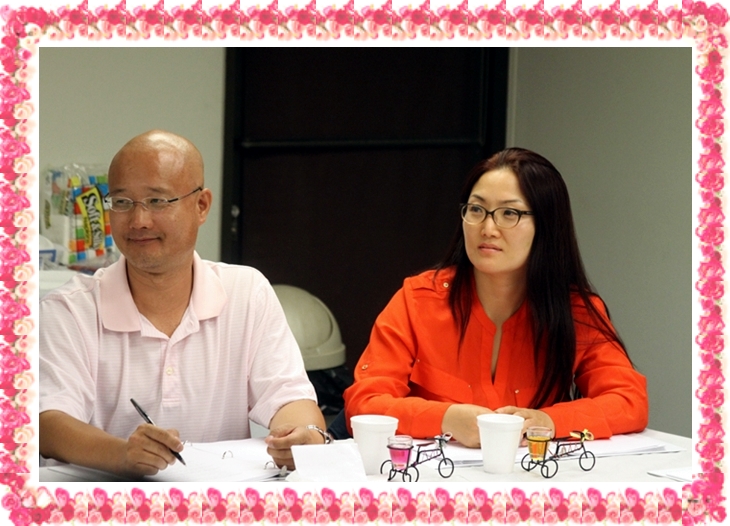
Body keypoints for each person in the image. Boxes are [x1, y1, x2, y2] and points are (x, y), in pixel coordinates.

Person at [39, 129, 329, 478]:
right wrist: (124, 455)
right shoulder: (69, 309)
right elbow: (48, 422)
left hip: (220, 498)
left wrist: (304, 436)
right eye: (122, 202)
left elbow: (289, 397)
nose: (139, 220)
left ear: (201, 206)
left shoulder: (246, 291)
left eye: (157, 201)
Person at [343, 147, 649, 448]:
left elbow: (629, 401)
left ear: (546, 225)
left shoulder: (575, 310)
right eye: (477, 210)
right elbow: (364, 403)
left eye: (509, 213)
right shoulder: (417, 300)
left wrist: (548, 421)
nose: (488, 228)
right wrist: (446, 419)